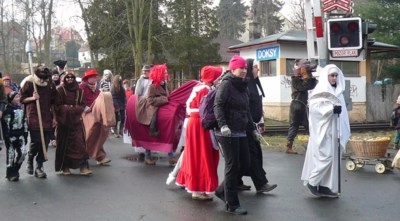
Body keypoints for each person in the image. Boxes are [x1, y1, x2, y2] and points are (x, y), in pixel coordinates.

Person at [214, 55, 260, 215]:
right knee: (232, 166)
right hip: (226, 132)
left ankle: (222, 191)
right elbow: (218, 106)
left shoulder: (243, 85)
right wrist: (223, 125)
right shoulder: (226, 85)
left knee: (245, 163)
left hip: (240, 130)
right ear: (232, 69)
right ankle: (231, 204)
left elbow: (245, 110)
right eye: (241, 68)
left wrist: (252, 129)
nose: (244, 71)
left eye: (245, 68)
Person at [301, 64, 350, 198]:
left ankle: (325, 186)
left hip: (335, 130)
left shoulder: (338, 92)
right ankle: (313, 181)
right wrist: (330, 110)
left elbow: (343, 113)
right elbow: (315, 110)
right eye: (331, 75)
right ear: (326, 76)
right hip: (323, 131)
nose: (334, 78)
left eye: (335, 75)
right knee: (326, 156)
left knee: (334, 159)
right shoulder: (319, 91)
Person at [175, 66, 222, 200]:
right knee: (202, 154)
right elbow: (206, 110)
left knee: (195, 154)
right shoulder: (205, 89)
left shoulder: (199, 87)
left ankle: (195, 186)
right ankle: (198, 189)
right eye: (216, 77)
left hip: (194, 123)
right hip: (200, 124)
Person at [237, 59, 278, 193]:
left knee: (245, 156)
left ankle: (236, 181)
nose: (258, 70)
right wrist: (252, 126)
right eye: (255, 67)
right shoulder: (246, 85)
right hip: (246, 126)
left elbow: (258, 106)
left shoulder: (254, 84)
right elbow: (246, 108)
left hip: (253, 125)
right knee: (252, 154)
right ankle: (261, 184)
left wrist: (261, 122)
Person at [135, 64, 177, 166]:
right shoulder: (152, 86)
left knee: (167, 132)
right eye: (164, 72)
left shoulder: (165, 84)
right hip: (153, 110)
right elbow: (150, 100)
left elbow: (169, 95)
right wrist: (164, 99)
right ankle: (148, 156)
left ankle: (171, 156)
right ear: (159, 74)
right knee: (151, 132)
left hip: (164, 110)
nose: (167, 73)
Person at [20, 67, 57, 178]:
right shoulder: (29, 83)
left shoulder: (50, 84)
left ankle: (39, 166)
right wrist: (32, 98)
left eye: (44, 79)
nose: (42, 81)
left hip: (46, 116)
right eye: (40, 78)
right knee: (36, 141)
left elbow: (53, 102)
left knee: (45, 143)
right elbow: (22, 99)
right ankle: (30, 159)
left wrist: (54, 118)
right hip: (33, 115)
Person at [54, 71, 92, 176]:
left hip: (76, 121)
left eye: (71, 77)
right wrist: (67, 109)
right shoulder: (60, 90)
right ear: (64, 79)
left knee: (80, 144)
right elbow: (57, 105)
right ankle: (65, 167)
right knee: (65, 145)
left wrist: (74, 109)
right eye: (67, 77)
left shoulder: (80, 91)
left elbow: (83, 104)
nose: (69, 79)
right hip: (64, 122)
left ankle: (83, 167)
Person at [80, 69, 112, 165]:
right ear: (88, 78)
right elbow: (78, 100)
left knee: (99, 133)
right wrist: (84, 107)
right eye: (93, 77)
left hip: (95, 114)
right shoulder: (81, 87)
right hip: (85, 114)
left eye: (95, 77)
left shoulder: (96, 89)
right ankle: (94, 156)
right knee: (91, 133)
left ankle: (99, 156)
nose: (95, 78)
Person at [286, 59, 318, 154]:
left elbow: (313, 85)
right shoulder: (295, 80)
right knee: (294, 126)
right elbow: (303, 87)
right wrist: (307, 77)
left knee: (309, 126)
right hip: (297, 106)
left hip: (303, 106)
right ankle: (289, 147)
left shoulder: (303, 79)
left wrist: (310, 77)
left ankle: (313, 145)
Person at [2, 92, 28, 181]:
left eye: (19, 97)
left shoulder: (21, 109)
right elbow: (6, 125)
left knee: (23, 153)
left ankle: (15, 170)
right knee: (11, 156)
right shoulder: (8, 110)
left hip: (20, 136)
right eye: (16, 97)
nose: (18, 98)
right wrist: (7, 137)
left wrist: (25, 134)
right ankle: (10, 174)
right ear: (11, 99)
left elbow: (25, 122)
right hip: (11, 137)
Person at [133, 65, 152, 161]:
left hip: (151, 104)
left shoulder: (152, 80)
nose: (145, 72)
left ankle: (149, 149)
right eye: (144, 71)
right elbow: (137, 93)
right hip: (142, 104)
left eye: (147, 71)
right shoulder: (140, 81)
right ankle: (141, 150)